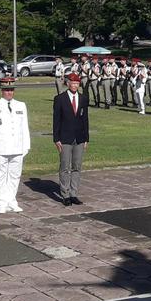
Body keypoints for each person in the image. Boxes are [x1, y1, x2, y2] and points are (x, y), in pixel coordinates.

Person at [0, 77, 30, 214]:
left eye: (11, 90)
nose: (9, 93)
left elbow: (24, 127)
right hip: (1, 148)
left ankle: (12, 200)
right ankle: (2, 203)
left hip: (17, 147)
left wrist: (26, 146)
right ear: (2, 90)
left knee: (15, 176)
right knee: (0, 176)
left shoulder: (21, 105)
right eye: (6, 90)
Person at [53, 73, 89, 206]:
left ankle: (74, 193)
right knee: (65, 166)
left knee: (77, 166)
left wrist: (86, 138)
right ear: (68, 84)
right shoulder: (60, 99)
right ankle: (65, 194)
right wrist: (56, 138)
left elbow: (85, 119)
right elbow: (56, 120)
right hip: (65, 137)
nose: (75, 85)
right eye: (72, 83)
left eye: (77, 83)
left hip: (79, 137)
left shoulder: (83, 98)